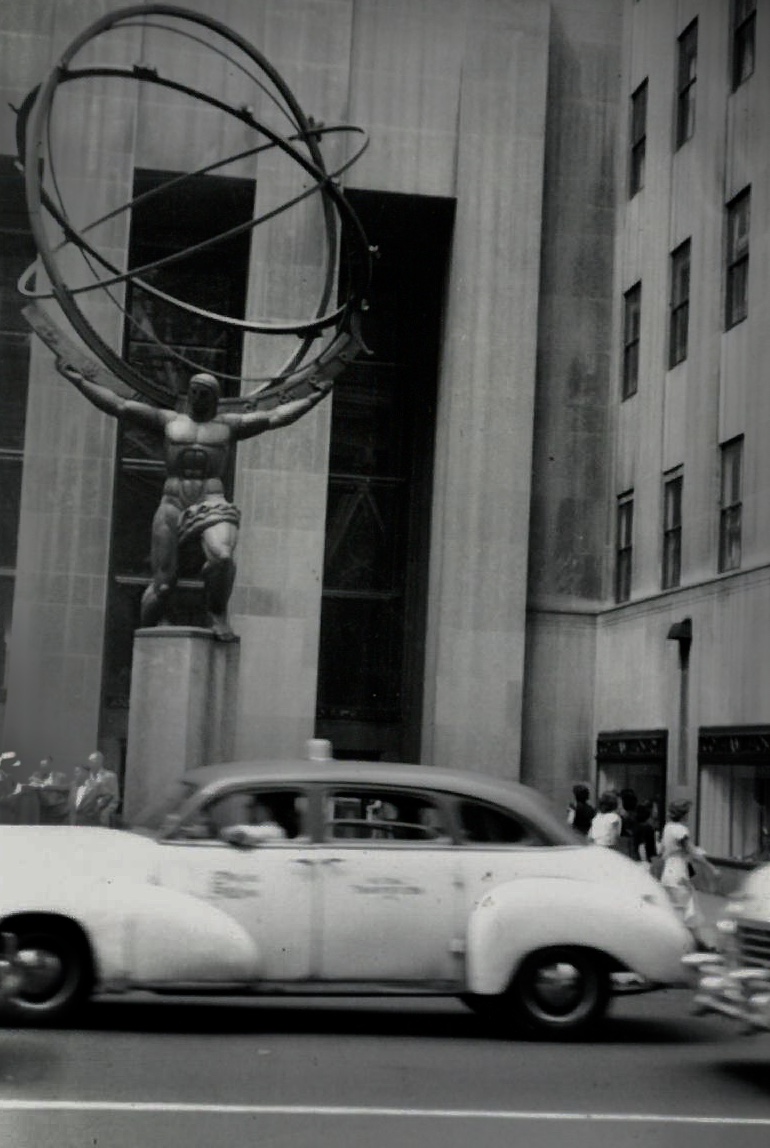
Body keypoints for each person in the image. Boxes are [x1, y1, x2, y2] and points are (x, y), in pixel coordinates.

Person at [61, 364, 332, 640]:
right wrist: (79, 381)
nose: (197, 398)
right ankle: (147, 639)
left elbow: (276, 416)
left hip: (211, 501)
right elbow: (120, 406)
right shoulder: (169, 421)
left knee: (223, 557)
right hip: (172, 503)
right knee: (163, 585)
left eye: (204, 394)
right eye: (193, 392)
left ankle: (216, 612)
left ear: (215, 399)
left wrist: (315, 397)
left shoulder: (228, 425)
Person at [659, 799, 719, 951]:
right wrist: (711, 867)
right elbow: (692, 851)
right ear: (684, 814)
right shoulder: (681, 830)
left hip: (668, 872)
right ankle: (689, 945)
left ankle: (697, 943)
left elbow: (664, 850)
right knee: (686, 910)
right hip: (679, 872)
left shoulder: (668, 827)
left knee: (682, 909)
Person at [73, 752, 120, 827]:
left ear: (100, 761)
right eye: (89, 760)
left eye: (93, 760)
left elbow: (114, 797)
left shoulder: (110, 776)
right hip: (86, 814)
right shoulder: (86, 776)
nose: (90, 763)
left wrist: (106, 812)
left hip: (103, 813)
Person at [219, 798, 288, 847]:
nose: (250, 812)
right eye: (250, 808)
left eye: (254, 807)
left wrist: (223, 832)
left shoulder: (274, 830)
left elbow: (241, 834)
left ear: (266, 810)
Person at [631, 800, 657, 870]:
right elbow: (644, 847)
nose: (656, 811)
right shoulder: (647, 828)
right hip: (645, 862)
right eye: (655, 808)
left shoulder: (636, 826)